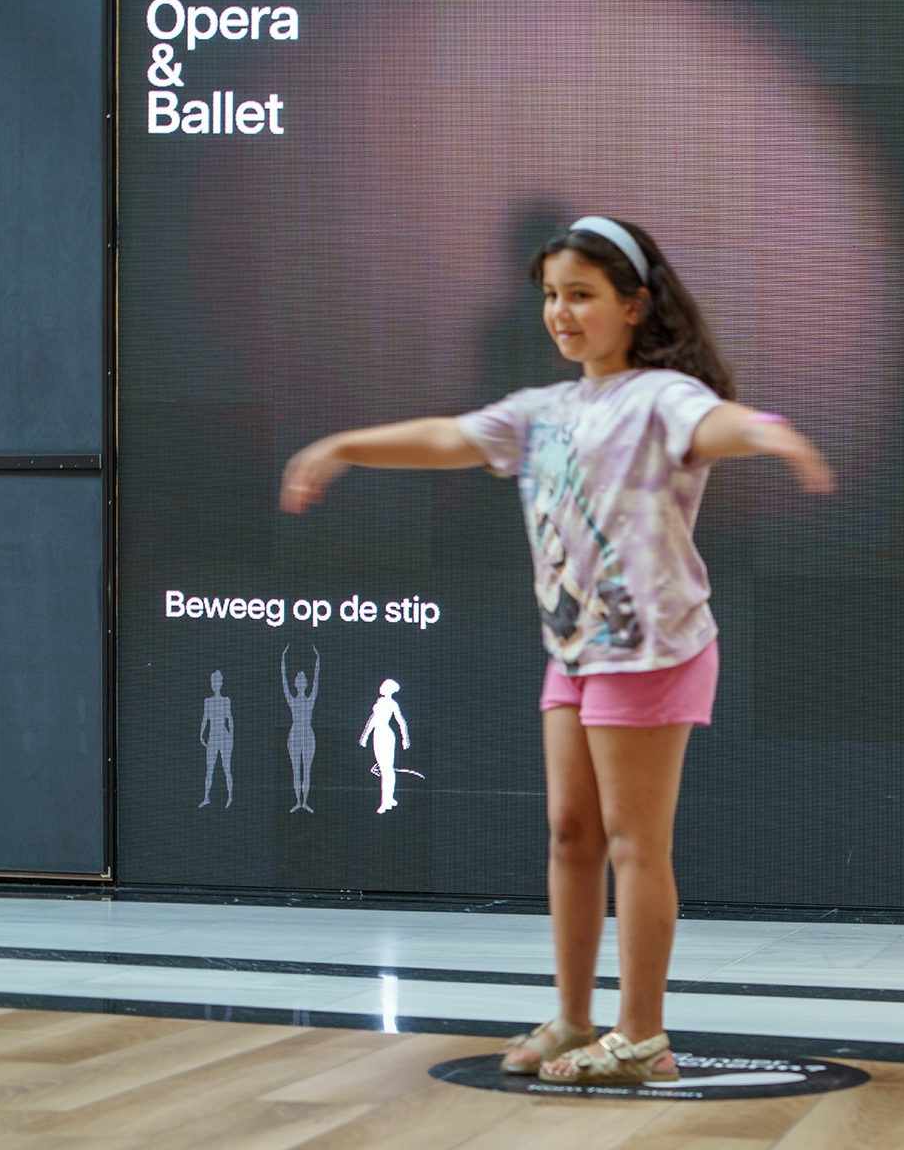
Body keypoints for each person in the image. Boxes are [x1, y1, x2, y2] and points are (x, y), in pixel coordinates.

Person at [281, 215, 831, 1087]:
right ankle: (576, 1017)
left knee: (632, 842)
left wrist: (769, 431)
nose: (562, 313)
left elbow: (714, 421)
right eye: (551, 296)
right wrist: (343, 446)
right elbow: (452, 439)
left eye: (582, 295)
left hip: (651, 651)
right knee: (571, 833)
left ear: (635, 306)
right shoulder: (543, 412)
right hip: (575, 651)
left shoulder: (658, 395)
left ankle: (642, 1037)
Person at [358, 678, 410, 814]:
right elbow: (372, 721)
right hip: (378, 736)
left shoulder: (392, 704)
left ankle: (386, 801)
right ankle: (389, 798)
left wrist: (405, 739)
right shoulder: (379, 704)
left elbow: (401, 721)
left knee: (387, 770)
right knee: (385, 769)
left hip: (386, 736)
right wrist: (365, 737)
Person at [281, 645, 319, 813]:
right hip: (294, 735)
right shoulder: (292, 699)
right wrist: (283, 659)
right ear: (296, 683)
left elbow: (316, 679)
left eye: (303, 677)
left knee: (307, 769)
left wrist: (317, 660)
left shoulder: (310, 699)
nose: (300, 679)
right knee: (296, 769)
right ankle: (298, 802)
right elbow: (283, 681)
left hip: (308, 735)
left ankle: (306, 802)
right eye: (298, 677)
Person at [197, 670, 235, 809]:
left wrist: (231, 736)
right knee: (210, 769)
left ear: (221, 683)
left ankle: (230, 796)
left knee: (226, 768)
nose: (215, 685)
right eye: (213, 682)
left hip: (224, 736)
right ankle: (206, 797)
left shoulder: (226, 700)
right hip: (213, 736)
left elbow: (229, 719)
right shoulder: (208, 701)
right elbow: (205, 719)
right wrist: (202, 734)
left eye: (217, 682)